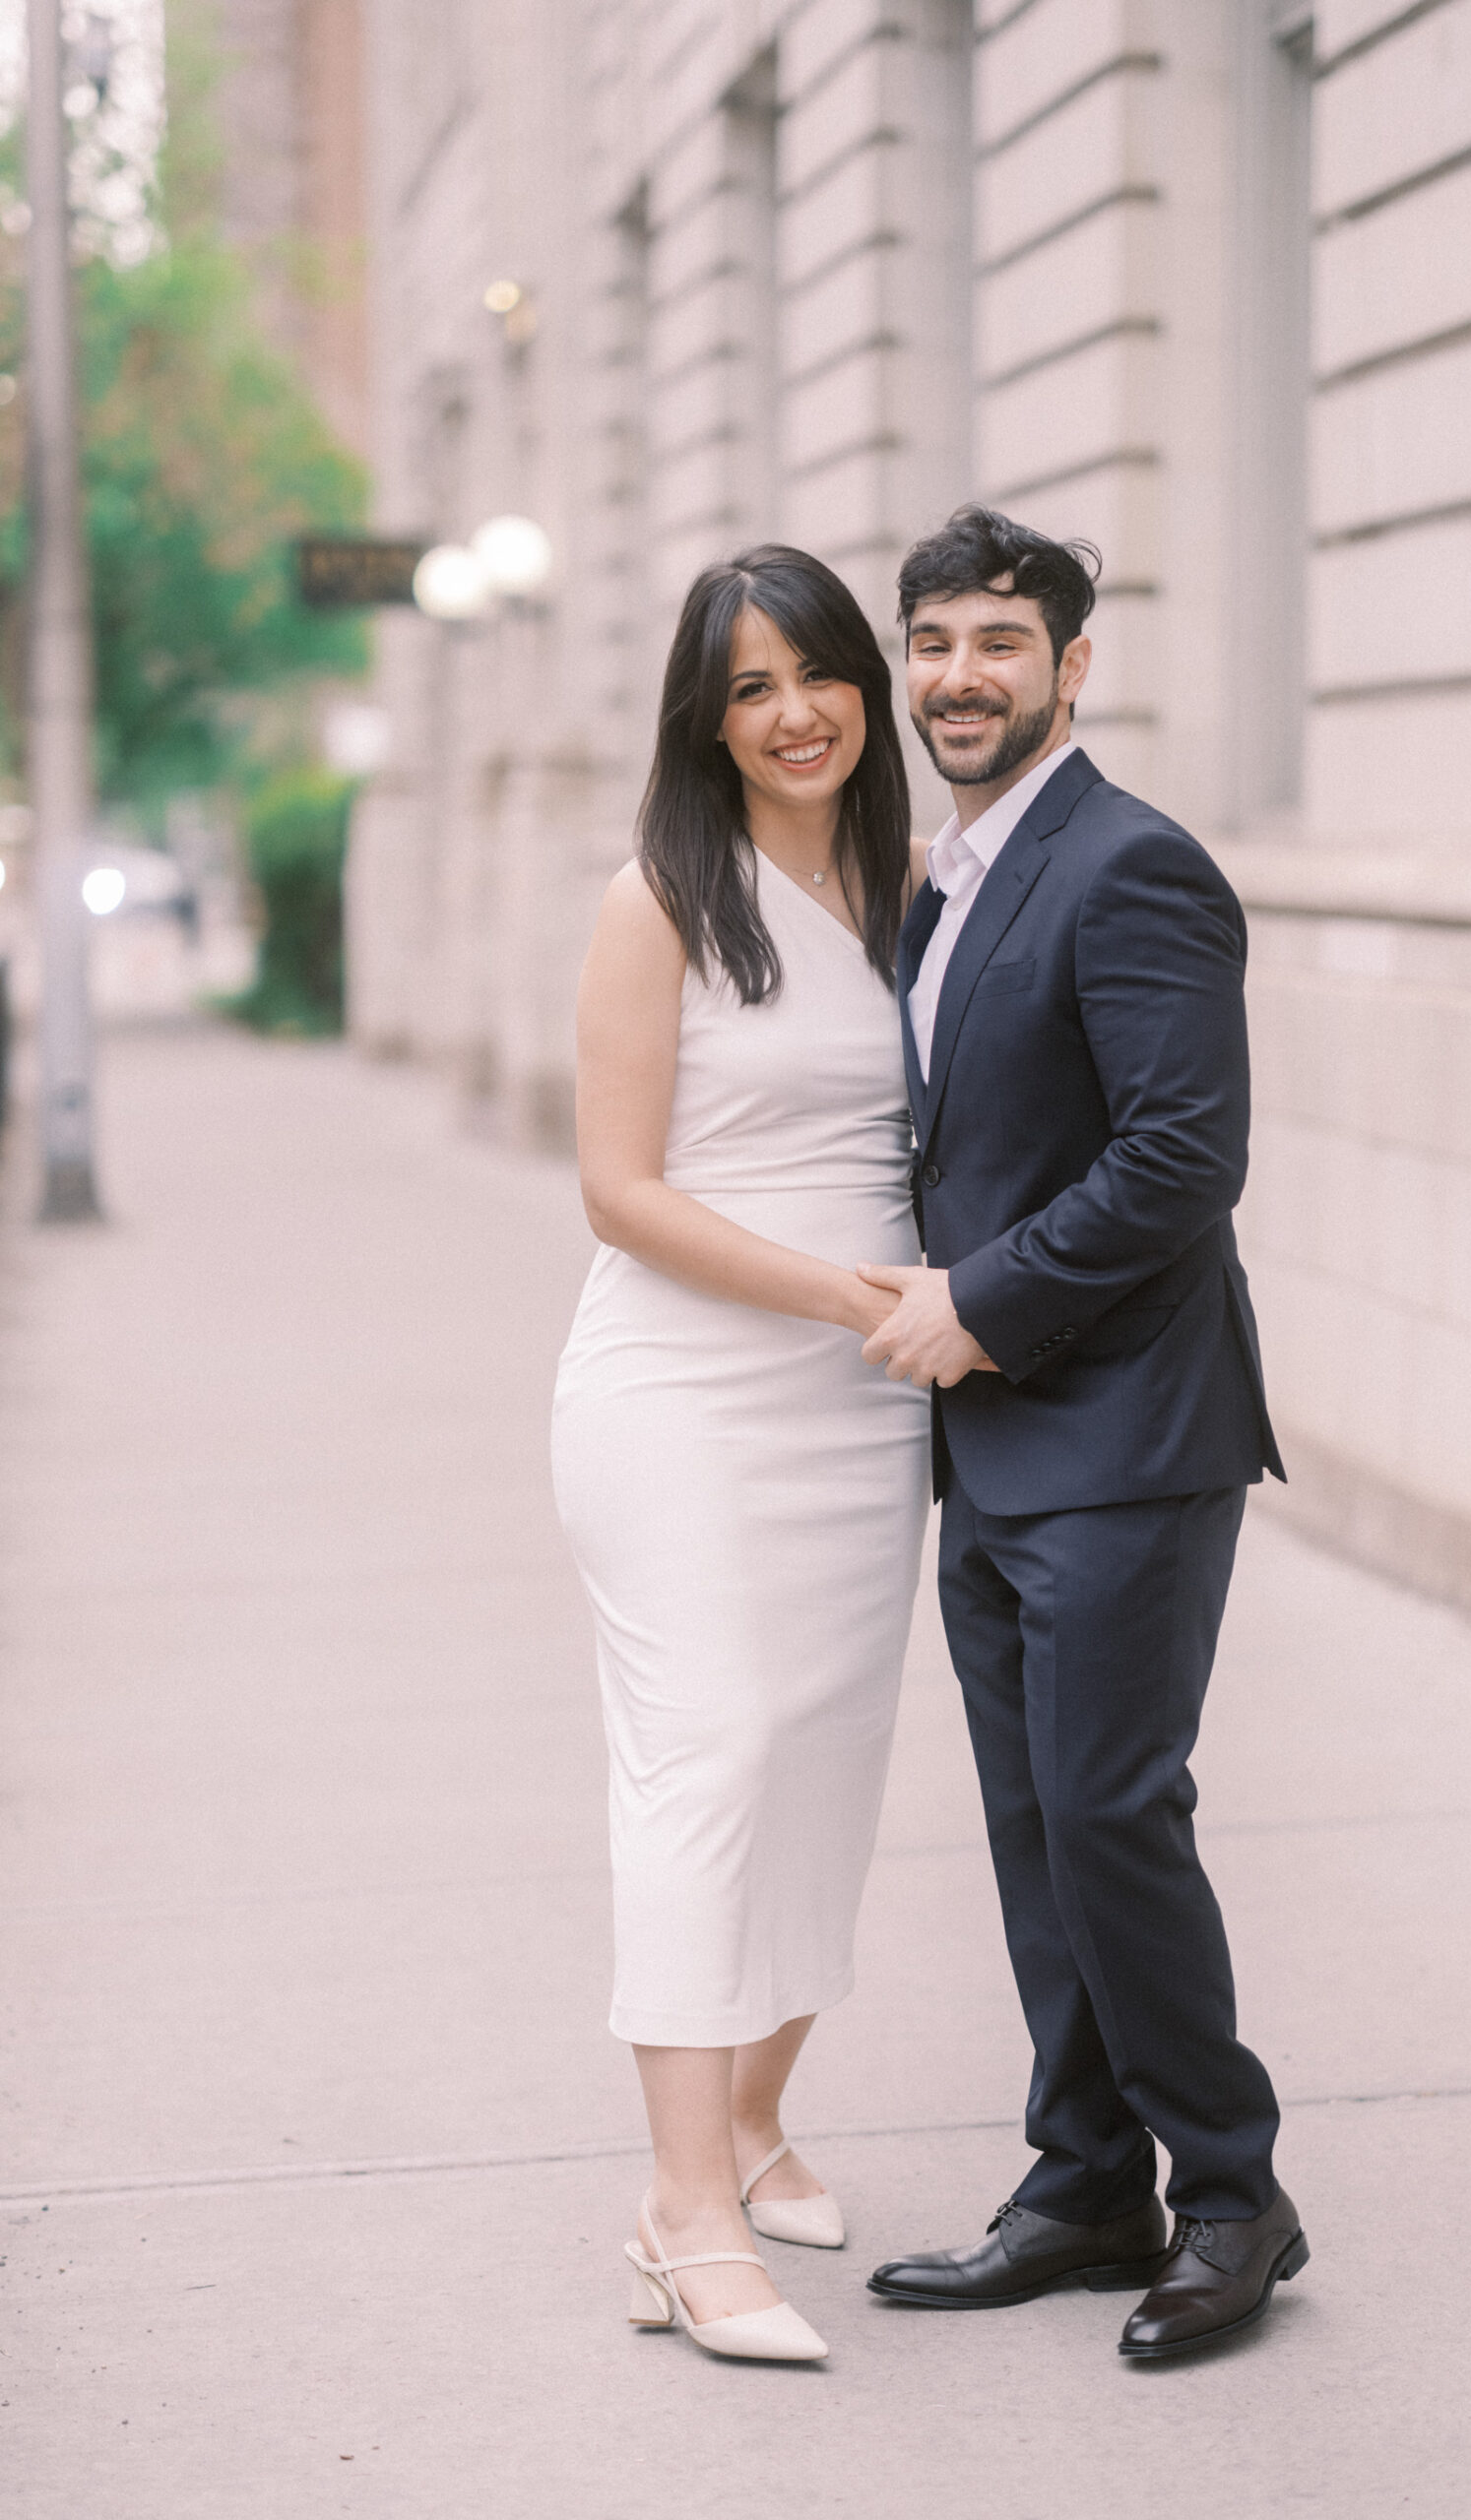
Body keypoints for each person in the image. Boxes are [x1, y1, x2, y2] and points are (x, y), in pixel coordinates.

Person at [858, 506, 1307, 2362]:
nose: (961, 677)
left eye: (999, 644)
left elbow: (1185, 1157)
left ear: (1072, 667)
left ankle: (1233, 2191)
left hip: (1124, 1427)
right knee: (1039, 1828)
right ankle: (1079, 2179)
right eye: (936, 643)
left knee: (1116, 1816)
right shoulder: (943, 877)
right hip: (996, 1443)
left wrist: (982, 1299)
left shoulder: (1133, 865)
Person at [550, 545, 935, 2364]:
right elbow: (620, 1195)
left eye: (817, 675)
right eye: (750, 688)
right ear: (705, 723)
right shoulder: (662, 900)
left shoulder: (899, 877)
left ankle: (761, 2117)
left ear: (865, 683)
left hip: (863, 1404)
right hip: (687, 1396)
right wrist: (846, 1299)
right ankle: (682, 2214)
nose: (793, 714)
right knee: (710, 1758)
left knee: (828, 1767)